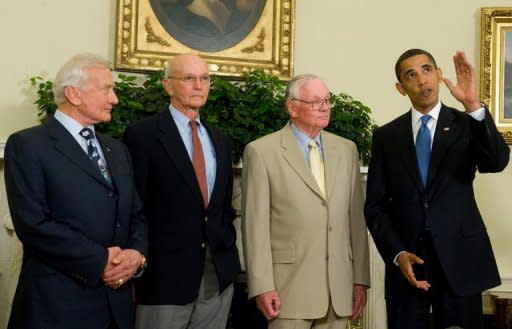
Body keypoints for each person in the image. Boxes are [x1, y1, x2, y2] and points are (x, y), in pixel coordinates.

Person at [364, 49, 510, 329]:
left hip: (461, 260)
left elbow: (497, 162)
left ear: (439, 75)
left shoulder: (467, 123)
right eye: (411, 75)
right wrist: (397, 253)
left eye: (427, 69)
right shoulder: (386, 137)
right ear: (400, 88)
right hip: (409, 264)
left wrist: (473, 105)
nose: (421, 79)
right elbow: (375, 205)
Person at [4, 53, 148, 329]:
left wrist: (137, 255)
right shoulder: (28, 145)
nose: (115, 98)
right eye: (106, 88)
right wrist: (101, 260)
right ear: (74, 94)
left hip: (116, 307)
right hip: (57, 306)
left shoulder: (117, 150)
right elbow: (33, 224)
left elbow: (136, 215)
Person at [241, 74, 370, 329]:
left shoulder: (347, 150)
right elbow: (255, 228)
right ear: (292, 108)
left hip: (339, 290)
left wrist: (360, 279)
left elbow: (356, 219)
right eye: (315, 102)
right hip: (287, 289)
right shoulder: (261, 151)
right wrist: (261, 285)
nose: (324, 107)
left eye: (326, 100)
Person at [123, 53, 240, 329]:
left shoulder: (220, 140)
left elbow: (222, 208)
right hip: (164, 280)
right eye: (189, 78)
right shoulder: (142, 136)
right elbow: (133, 208)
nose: (199, 86)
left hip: (217, 278)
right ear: (168, 85)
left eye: (205, 78)